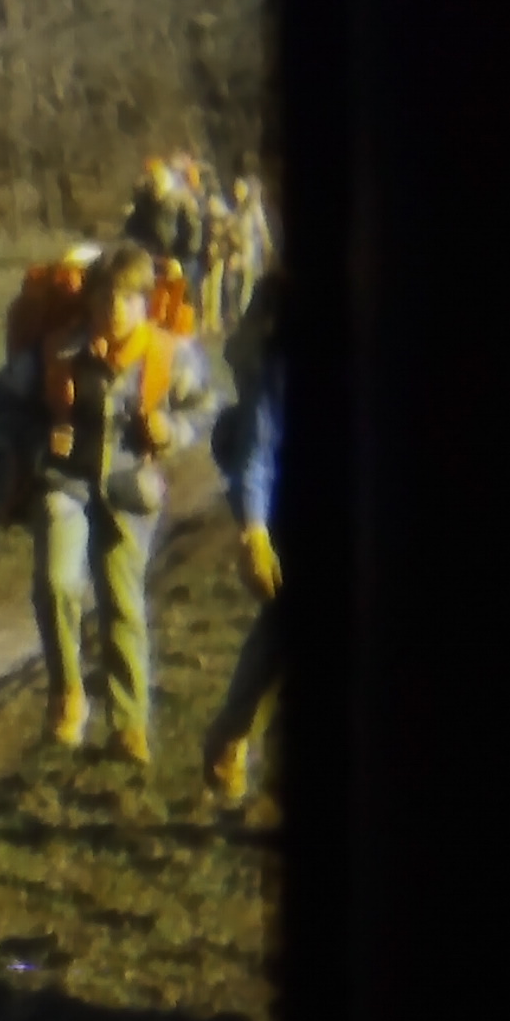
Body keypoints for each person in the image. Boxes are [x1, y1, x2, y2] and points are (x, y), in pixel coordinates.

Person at [30, 240, 191, 762]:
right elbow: (1, 404)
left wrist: (173, 431)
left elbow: (206, 408)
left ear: (146, 301)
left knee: (123, 605)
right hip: (66, 483)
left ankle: (129, 725)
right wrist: (44, 432)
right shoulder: (61, 349)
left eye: (127, 299)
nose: (114, 310)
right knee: (56, 583)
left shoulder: (167, 352)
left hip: (128, 490)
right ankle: (68, 693)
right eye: (104, 299)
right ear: (90, 300)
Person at [202, 268, 286, 806]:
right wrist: (253, 531)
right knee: (281, 633)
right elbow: (257, 455)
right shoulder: (282, 365)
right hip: (291, 517)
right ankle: (232, 733)